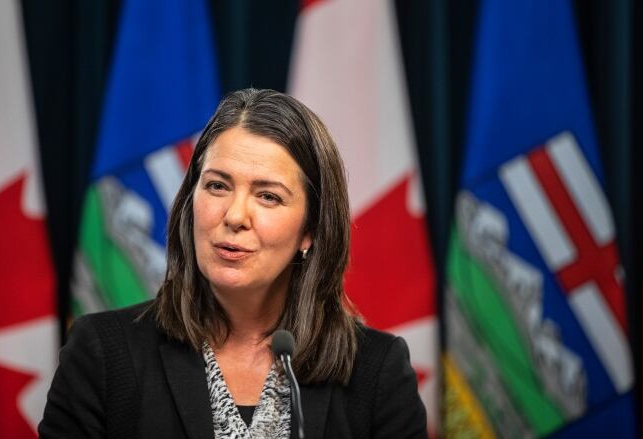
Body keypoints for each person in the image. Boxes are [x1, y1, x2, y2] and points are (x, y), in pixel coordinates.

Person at [39, 88, 427, 438]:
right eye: (217, 186)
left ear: (310, 230)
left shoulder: (377, 370)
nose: (235, 215)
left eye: (268, 197)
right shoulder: (104, 353)